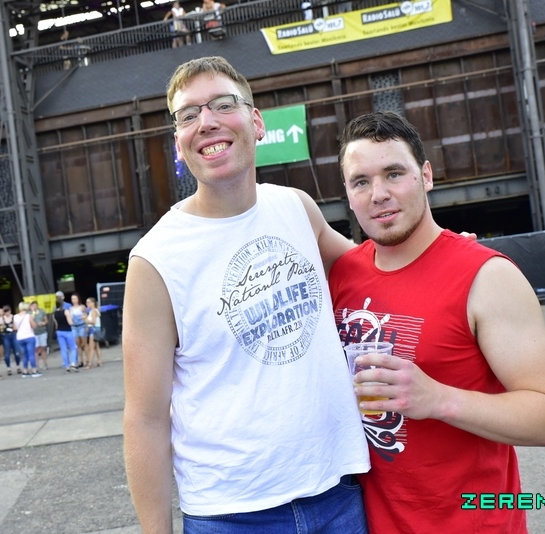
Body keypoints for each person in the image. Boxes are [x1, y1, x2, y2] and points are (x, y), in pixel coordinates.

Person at [123, 56, 369, 533]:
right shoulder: (155, 261)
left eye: (222, 105)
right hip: (231, 515)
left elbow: (372, 271)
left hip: (338, 493)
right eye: (188, 115)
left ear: (256, 122)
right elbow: (145, 419)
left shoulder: (295, 207)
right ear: (179, 143)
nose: (206, 122)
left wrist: (440, 251)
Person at [329, 111, 545, 533]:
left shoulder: (487, 276)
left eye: (394, 174)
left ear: (425, 175)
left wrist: (439, 399)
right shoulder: (341, 273)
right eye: (361, 182)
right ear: (348, 195)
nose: (379, 194)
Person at [13, 302, 40, 377]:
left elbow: (15, 328)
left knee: (24, 355)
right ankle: (34, 370)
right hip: (29, 336)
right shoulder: (28, 316)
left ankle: (25, 371)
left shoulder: (15, 316)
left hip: (20, 337)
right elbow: (34, 326)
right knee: (31, 354)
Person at [53, 302, 78, 372]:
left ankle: (67, 365)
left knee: (63, 349)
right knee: (73, 347)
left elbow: (56, 324)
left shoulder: (54, 314)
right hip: (68, 331)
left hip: (59, 331)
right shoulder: (66, 311)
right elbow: (70, 322)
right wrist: (73, 321)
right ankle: (73, 363)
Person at [0, 305, 22, 375]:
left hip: (13, 335)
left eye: (8, 311)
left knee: (17, 352)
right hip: (6, 336)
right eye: (5, 311)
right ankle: (8, 368)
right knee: (7, 353)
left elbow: (16, 327)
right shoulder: (1, 318)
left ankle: (18, 366)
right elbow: (0, 328)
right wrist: (2, 327)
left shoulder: (14, 317)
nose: (7, 313)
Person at [69, 294, 89, 368]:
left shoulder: (82, 307)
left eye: (75, 298)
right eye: (72, 299)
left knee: (84, 343)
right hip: (74, 327)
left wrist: (87, 326)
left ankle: (87, 360)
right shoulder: (70, 308)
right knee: (77, 344)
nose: (74, 300)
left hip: (82, 326)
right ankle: (81, 361)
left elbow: (86, 316)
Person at [30, 301, 49, 370]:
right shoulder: (29, 313)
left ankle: (45, 364)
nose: (34, 307)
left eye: (35, 305)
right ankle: (36, 365)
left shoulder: (42, 311)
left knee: (43, 348)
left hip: (42, 331)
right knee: (36, 349)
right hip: (34, 333)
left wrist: (43, 323)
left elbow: (46, 320)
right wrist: (33, 313)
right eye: (33, 306)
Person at [85, 297, 103, 367]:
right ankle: (99, 361)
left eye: (88, 302)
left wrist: (85, 320)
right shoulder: (94, 311)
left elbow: (93, 322)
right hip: (95, 329)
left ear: (93, 303)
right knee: (96, 346)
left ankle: (90, 363)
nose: (87, 304)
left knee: (91, 347)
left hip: (93, 329)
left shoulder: (93, 311)